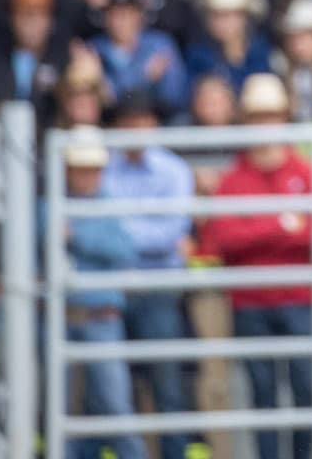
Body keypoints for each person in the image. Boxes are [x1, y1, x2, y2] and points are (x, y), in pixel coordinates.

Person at [200, 73, 312, 459]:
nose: (266, 124)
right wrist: (281, 223)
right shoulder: (235, 179)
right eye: (258, 116)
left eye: (272, 115)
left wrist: (257, 228)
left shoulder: (301, 170)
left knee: (304, 393)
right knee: (263, 396)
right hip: (253, 302)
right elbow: (225, 239)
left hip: (296, 299)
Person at [101, 93, 199, 459]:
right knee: (113, 387)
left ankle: (174, 453)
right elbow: (160, 235)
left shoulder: (173, 169)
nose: (136, 129)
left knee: (167, 383)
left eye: (142, 120)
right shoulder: (106, 167)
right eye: (128, 122)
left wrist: (117, 234)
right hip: (117, 287)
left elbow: (171, 232)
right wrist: (129, 233)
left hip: (157, 288)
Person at [56, 129, 145, 459]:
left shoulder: (108, 203)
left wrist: (75, 235)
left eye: (92, 168)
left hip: (100, 316)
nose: (87, 175)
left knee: (113, 405)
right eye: (81, 168)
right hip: (60, 318)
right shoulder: (48, 204)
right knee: (59, 410)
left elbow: (123, 248)